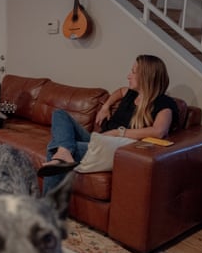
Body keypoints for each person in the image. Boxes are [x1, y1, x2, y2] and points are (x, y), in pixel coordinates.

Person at [38, 54, 179, 194]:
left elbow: (159, 131)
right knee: (60, 114)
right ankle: (64, 152)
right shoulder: (132, 93)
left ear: (147, 76)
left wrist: (118, 132)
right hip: (99, 140)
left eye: (133, 72)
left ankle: (47, 210)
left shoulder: (163, 103)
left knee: (54, 149)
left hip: (113, 149)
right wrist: (106, 106)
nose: (128, 75)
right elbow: (119, 92)